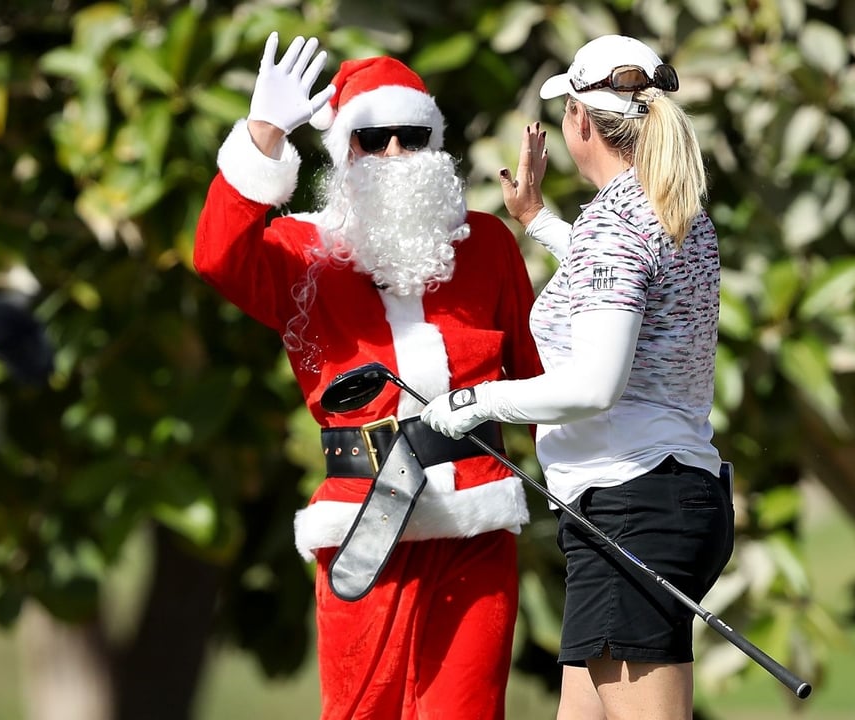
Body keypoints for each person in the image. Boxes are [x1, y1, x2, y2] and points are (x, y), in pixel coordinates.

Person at [192, 32, 543, 719]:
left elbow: (539, 379)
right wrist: (262, 135)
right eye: (372, 138)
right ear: (343, 150)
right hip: (365, 521)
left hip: (478, 520)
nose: (394, 153)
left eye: (412, 136)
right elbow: (217, 258)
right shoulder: (304, 251)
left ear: (435, 143)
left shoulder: (488, 244)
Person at [420, 34, 734, 720]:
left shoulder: (615, 226)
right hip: (660, 500)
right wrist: (539, 222)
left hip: (633, 508)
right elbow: (612, 279)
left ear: (580, 121)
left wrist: (476, 400)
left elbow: (594, 386)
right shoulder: (672, 208)